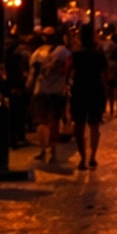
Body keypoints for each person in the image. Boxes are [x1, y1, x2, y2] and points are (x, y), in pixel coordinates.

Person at [70, 23, 110, 169]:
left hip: (79, 89)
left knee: (79, 125)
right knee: (94, 125)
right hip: (95, 89)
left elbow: (69, 72)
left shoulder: (76, 55)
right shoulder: (99, 55)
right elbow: (105, 76)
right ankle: (92, 156)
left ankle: (82, 158)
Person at [34, 29, 72, 167]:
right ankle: (53, 152)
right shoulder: (64, 51)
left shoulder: (38, 51)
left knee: (42, 121)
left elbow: (33, 69)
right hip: (56, 90)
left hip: (41, 89)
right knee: (54, 121)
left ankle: (43, 150)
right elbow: (68, 69)